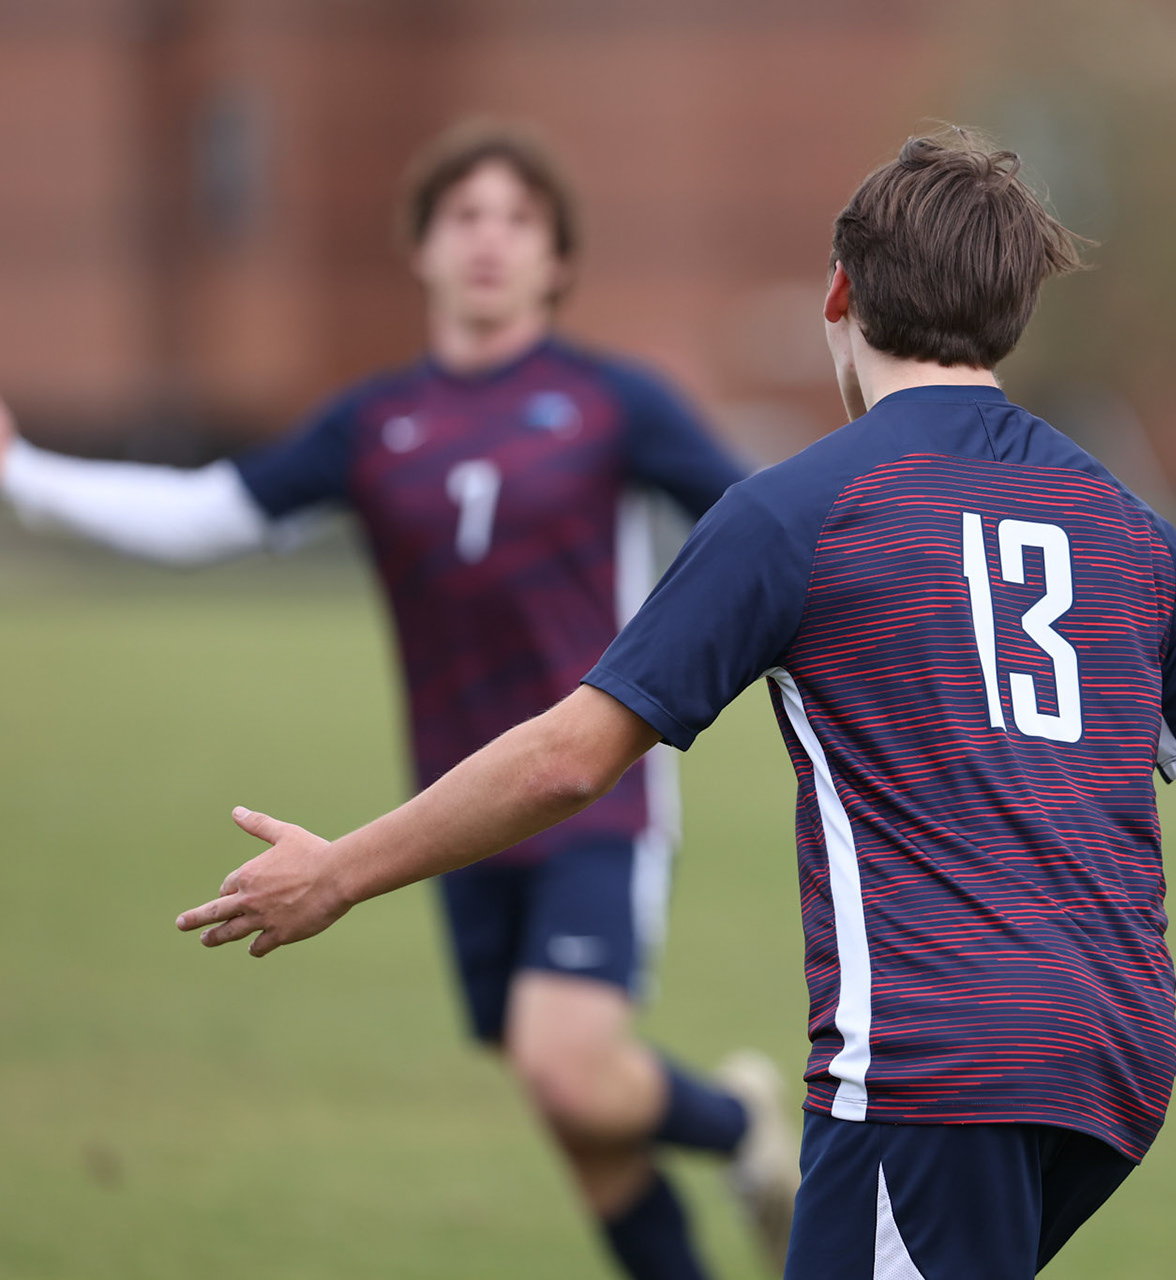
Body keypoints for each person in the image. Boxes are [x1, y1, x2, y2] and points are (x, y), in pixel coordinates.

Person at [173, 128, 1176, 1280]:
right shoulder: (1130, 530)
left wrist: (341, 870)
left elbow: (569, 760)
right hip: (1117, 1058)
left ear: (838, 294)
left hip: (940, 1068)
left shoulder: (798, 510)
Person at [0, 120, 796, 1280]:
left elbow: (757, 530)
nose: (488, 240)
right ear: (419, 249)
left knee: (565, 1064)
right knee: (582, 1125)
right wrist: (21, 471)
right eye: (462, 216)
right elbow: (199, 513)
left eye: (517, 220)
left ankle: (745, 1130)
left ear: (559, 261)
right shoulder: (373, 423)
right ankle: (737, 1135)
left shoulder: (613, 401)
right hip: (451, 807)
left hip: (595, 794)